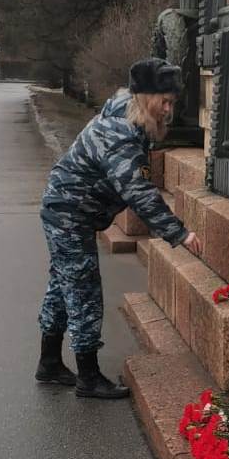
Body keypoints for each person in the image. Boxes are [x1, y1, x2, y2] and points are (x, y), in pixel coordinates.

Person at [36, 57, 203, 399]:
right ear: (145, 97)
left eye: (172, 102)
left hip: (67, 210)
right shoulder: (121, 134)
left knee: (62, 285)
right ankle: (88, 376)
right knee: (82, 290)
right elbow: (138, 190)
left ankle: (50, 363)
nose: (168, 110)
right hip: (70, 215)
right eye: (164, 101)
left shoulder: (129, 119)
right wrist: (179, 232)